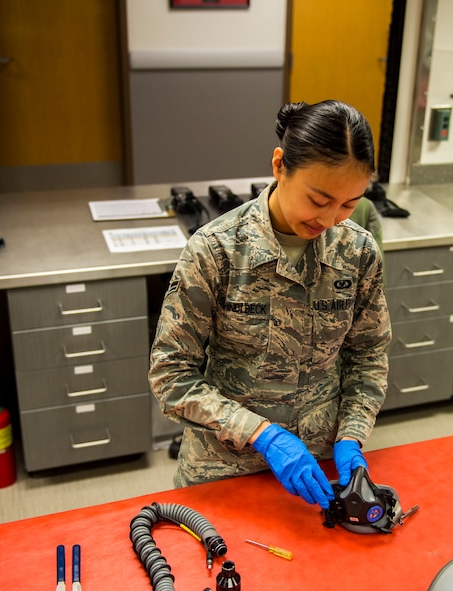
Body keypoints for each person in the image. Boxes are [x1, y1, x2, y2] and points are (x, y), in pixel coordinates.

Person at [148, 100, 391, 509]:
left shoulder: (358, 251)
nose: (332, 219)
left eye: (349, 204)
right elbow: (171, 374)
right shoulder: (216, 251)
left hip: (319, 472)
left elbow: (368, 354)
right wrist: (264, 434)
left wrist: (351, 436)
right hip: (221, 470)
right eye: (319, 200)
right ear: (280, 166)